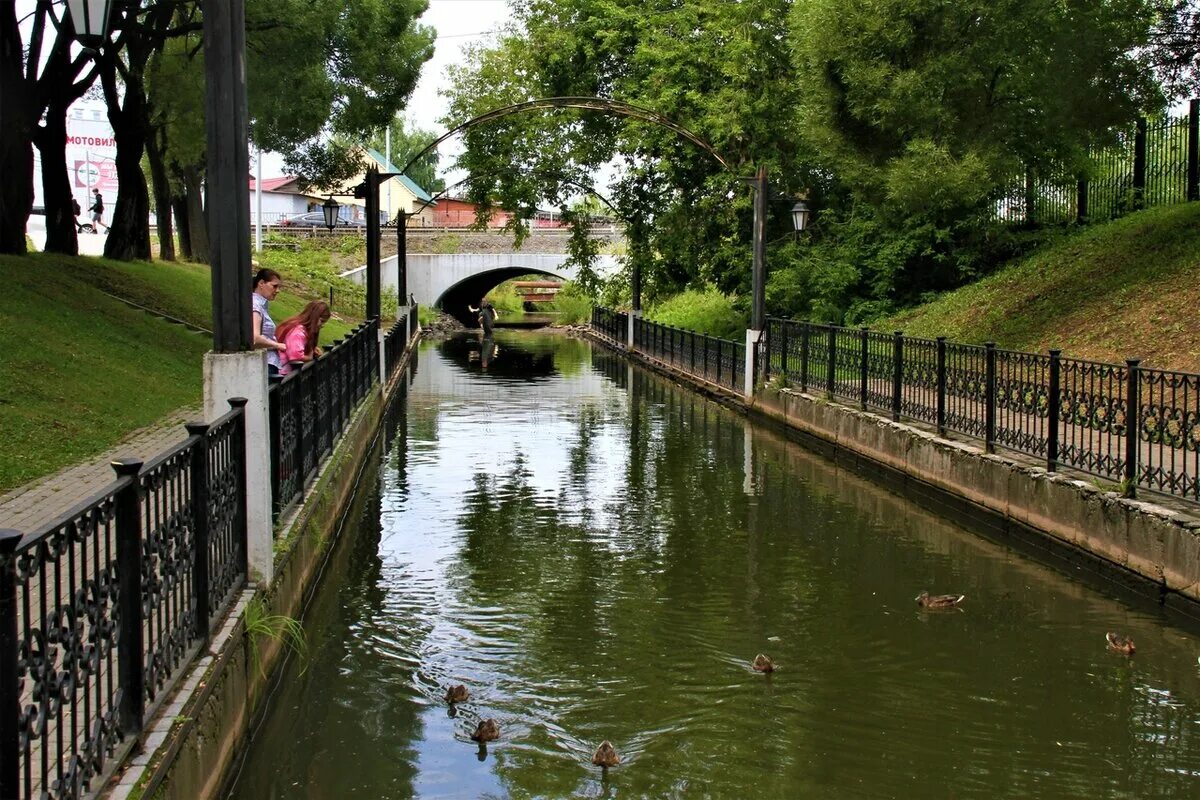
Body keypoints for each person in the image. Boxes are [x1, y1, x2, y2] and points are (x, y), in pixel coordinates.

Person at [276, 301, 331, 375]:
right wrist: (309, 356)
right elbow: (295, 356)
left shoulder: (300, 328)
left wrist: (311, 348)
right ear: (314, 317)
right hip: (283, 373)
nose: (322, 325)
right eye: (322, 321)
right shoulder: (298, 332)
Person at [252, 268, 288, 375]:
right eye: (274, 286)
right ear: (261, 283)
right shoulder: (255, 305)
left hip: (267, 363)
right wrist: (278, 345)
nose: (277, 290)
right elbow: (255, 338)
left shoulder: (261, 305)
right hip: (263, 364)